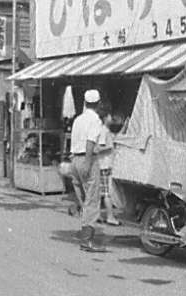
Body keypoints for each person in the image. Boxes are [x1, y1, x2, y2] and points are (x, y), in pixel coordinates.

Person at [67, 89, 107, 252]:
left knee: (84, 198)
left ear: (84, 103)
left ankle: (83, 232)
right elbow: (90, 142)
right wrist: (89, 163)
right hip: (86, 159)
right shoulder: (95, 120)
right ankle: (87, 239)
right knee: (92, 199)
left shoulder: (78, 119)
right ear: (98, 104)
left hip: (75, 158)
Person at [96, 106, 120, 226]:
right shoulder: (103, 131)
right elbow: (99, 148)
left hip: (105, 165)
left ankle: (99, 215)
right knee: (106, 193)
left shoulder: (105, 130)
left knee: (102, 192)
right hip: (103, 165)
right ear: (105, 118)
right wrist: (110, 147)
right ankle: (110, 216)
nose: (112, 118)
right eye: (110, 116)